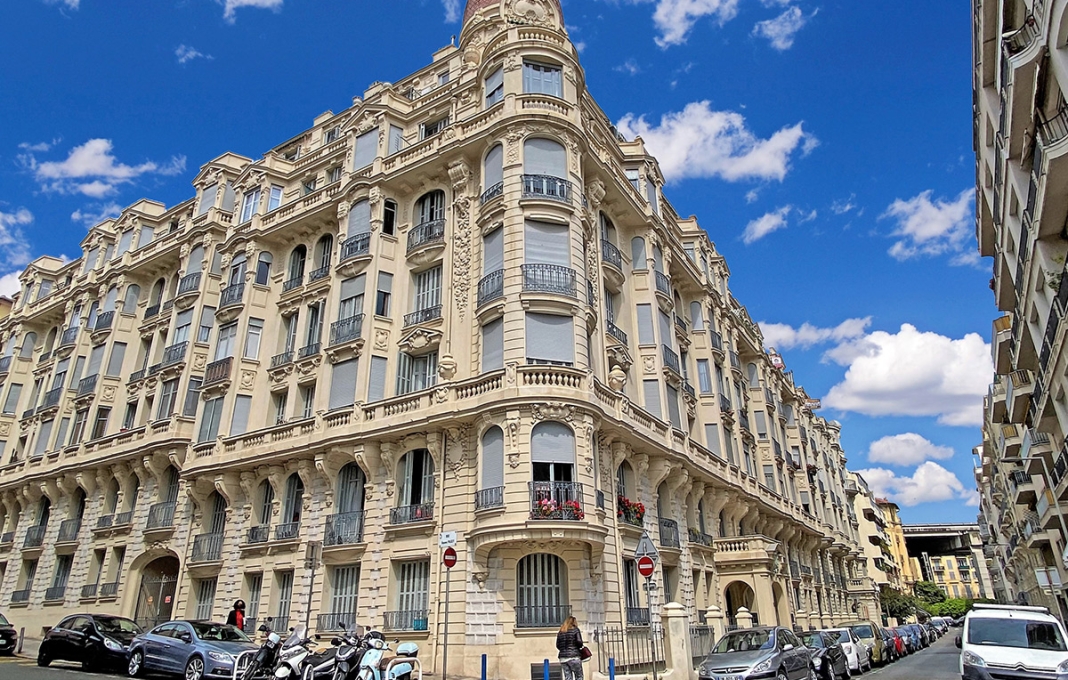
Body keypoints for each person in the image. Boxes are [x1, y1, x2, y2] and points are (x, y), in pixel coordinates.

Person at [556, 615, 584, 680]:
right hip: (574, 657)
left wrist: (563, 650)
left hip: (563, 658)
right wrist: (579, 647)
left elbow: (558, 645)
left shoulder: (561, 631)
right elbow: (579, 642)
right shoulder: (576, 630)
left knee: (568, 677)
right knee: (579, 676)